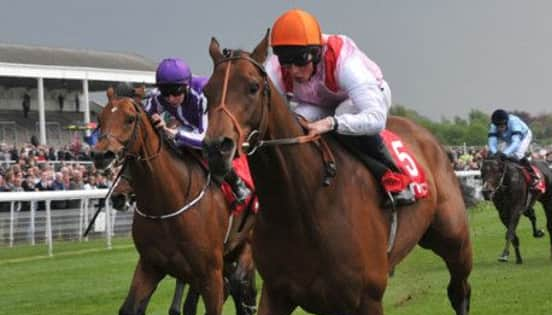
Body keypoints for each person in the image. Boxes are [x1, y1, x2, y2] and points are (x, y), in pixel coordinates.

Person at [265, 8, 415, 206]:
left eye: (300, 61)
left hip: (366, 100)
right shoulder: (275, 68)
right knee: (295, 122)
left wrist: (330, 123)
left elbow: (376, 119)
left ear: (316, 52)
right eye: (286, 62)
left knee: (343, 113)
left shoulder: (344, 60)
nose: (293, 71)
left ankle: (393, 177)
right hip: (319, 103)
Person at [143, 58, 251, 204]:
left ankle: (236, 183)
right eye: (165, 93)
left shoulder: (202, 93)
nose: (170, 99)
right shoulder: (158, 96)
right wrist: (153, 120)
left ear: (186, 86)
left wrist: (176, 134)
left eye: (176, 93)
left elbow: (203, 138)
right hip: (189, 127)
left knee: (212, 148)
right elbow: (144, 118)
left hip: (213, 129)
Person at [487, 109, 539, 191]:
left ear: (506, 122)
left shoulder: (514, 122)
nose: (500, 129)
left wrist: (504, 154)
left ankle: (533, 176)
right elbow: (492, 144)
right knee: (498, 156)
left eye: (502, 126)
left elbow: (516, 143)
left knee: (518, 155)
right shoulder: (493, 127)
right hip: (509, 139)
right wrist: (496, 153)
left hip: (523, 137)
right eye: (498, 126)